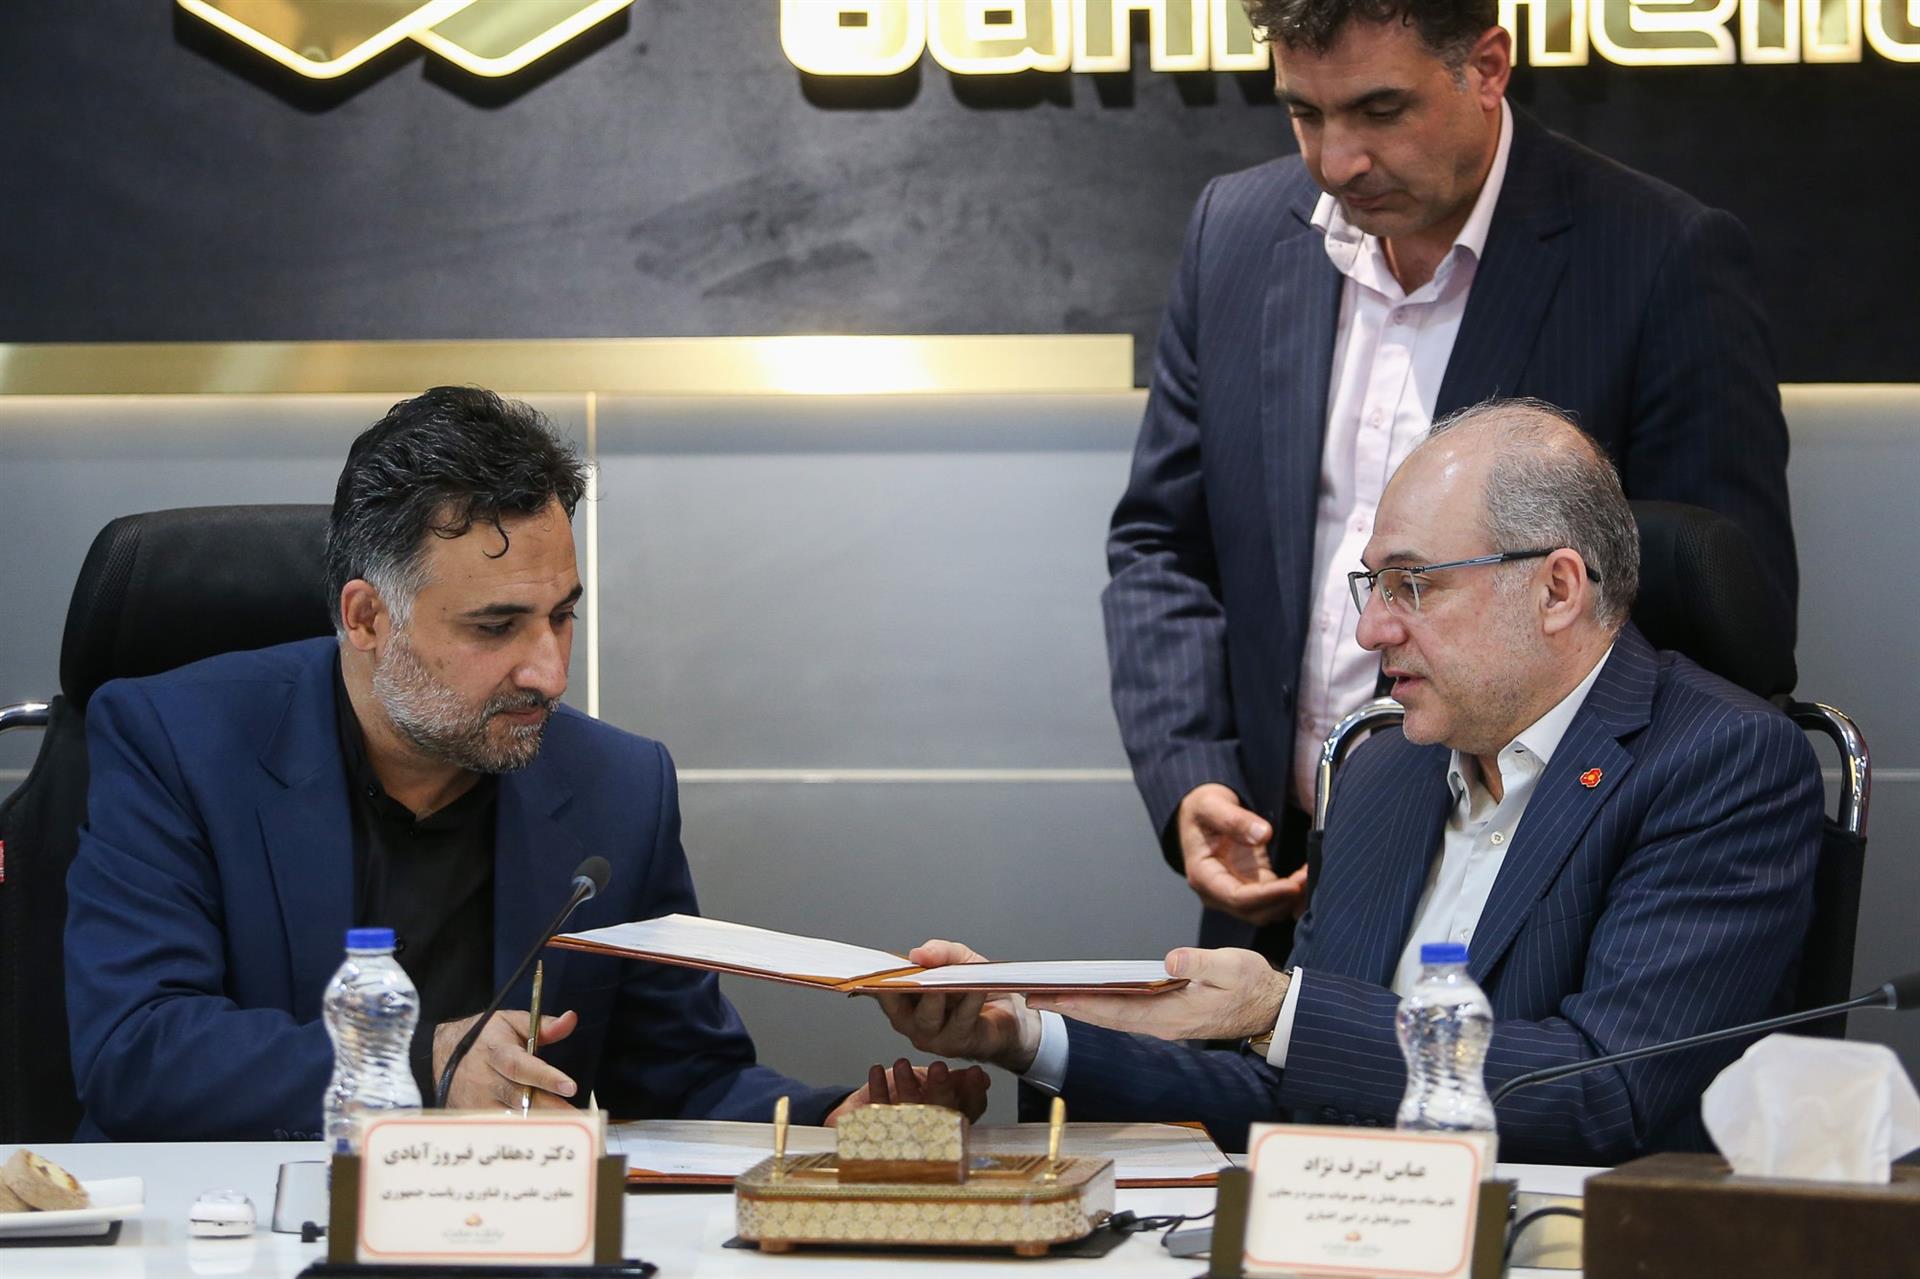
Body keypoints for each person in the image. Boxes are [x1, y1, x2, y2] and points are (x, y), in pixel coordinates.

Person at [884, 399, 1822, 1165]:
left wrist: (1278, 1011)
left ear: (1557, 588)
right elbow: (1289, 1089)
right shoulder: (1386, 771)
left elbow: (1606, 1091)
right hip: (1347, 1231)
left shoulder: (1721, 762)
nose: (1372, 631)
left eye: (1414, 584)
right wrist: (1024, 1034)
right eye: (1372, 586)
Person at [65, 386, 986, 1141]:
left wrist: (830, 1123)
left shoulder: (619, 786)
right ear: (367, 618)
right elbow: (136, 1049)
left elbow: (681, 1078)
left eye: (562, 615)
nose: (548, 671)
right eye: (496, 625)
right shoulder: (173, 740)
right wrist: (424, 1066)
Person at [1105, 0, 1799, 962]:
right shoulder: (1236, 230)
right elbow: (1163, 545)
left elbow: (1716, 615)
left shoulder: (1657, 255)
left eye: (1381, 110)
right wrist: (1193, 775)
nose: (1336, 160)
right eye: (1304, 112)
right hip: (1269, 856)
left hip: (1535, 883)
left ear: (1487, 67)